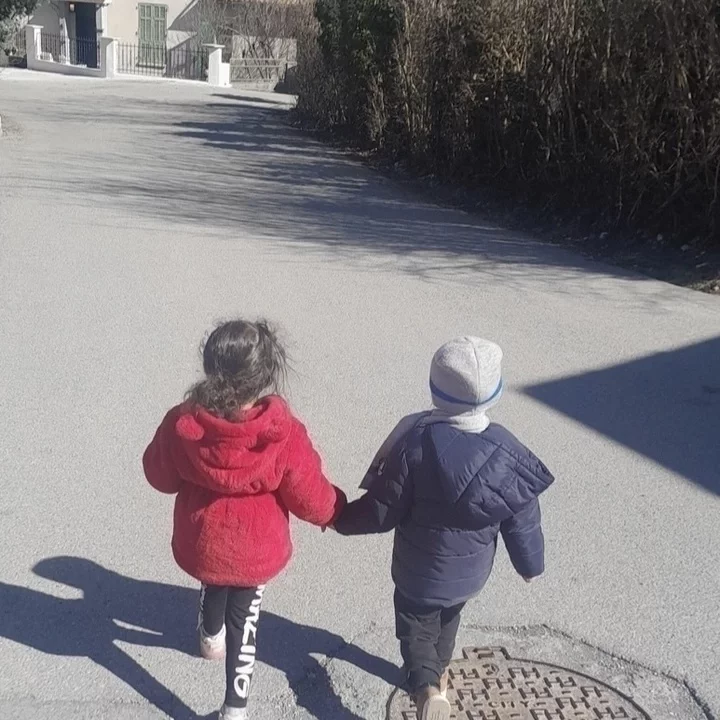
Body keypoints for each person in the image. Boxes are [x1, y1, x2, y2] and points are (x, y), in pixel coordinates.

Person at [333, 337, 554, 720]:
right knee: (449, 619)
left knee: (415, 628)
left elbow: (382, 509)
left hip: (417, 574)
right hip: (470, 575)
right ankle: (443, 671)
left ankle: (426, 689)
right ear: (496, 393)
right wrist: (530, 566)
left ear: (434, 389)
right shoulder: (507, 453)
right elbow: (523, 520)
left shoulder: (416, 443)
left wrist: (339, 518)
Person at [143, 319, 346, 720]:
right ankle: (235, 708)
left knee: (214, 579)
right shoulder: (283, 432)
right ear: (265, 376)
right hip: (256, 547)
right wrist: (335, 511)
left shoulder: (183, 424)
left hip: (204, 538)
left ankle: (209, 636)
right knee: (246, 618)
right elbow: (307, 492)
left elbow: (158, 475)